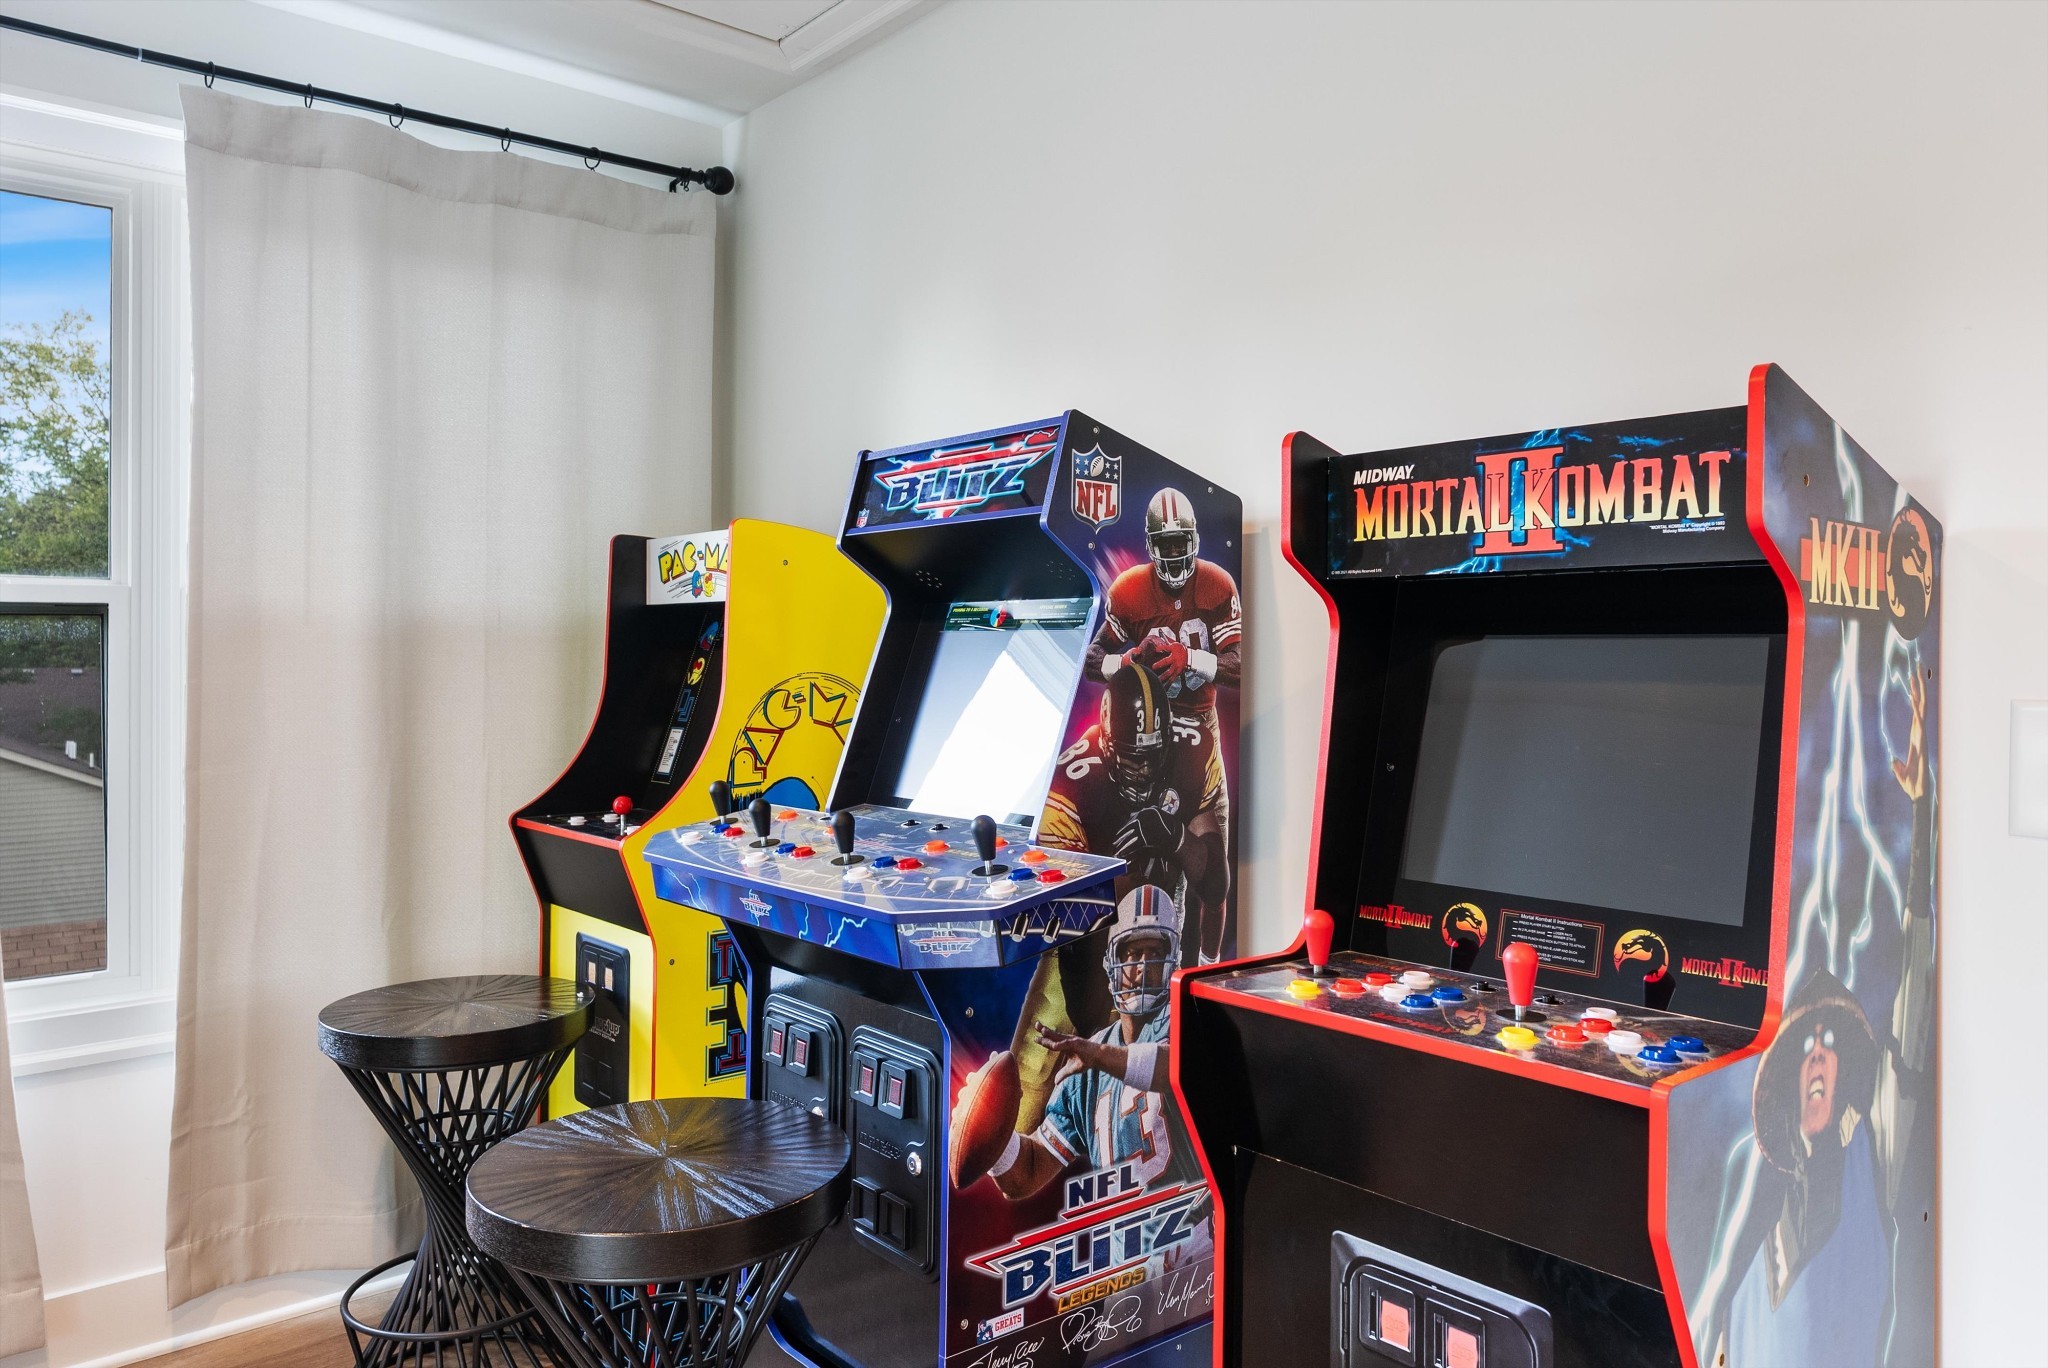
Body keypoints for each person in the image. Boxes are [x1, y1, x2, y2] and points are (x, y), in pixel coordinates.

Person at [1085, 488, 1241, 962]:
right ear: (1152, 544)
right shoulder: (1129, 590)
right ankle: (1126, 970)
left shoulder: (1217, 584)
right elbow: (1092, 659)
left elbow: (1240, 664)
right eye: (1166, 544)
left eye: (1181, 543)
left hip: (1197, 728)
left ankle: (1212, 964)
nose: (1175, 554)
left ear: (1193, 540)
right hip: (1139, 731)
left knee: (1211, 872)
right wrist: (1126, 659)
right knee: (1129, 856)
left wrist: (1191, 656)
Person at [1038, 662, 1226, 965]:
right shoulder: (1067, 790)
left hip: (1165, 915)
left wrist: (1177, 837)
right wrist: (1116, 875)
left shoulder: (1194, 747)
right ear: (1106, 742)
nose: (1146, 771)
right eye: (1133, 758)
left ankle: (1206, 961)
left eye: (1153, 757)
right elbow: (1067, 918)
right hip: (1097, 932)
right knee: (1075, 992)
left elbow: (1216, 884)